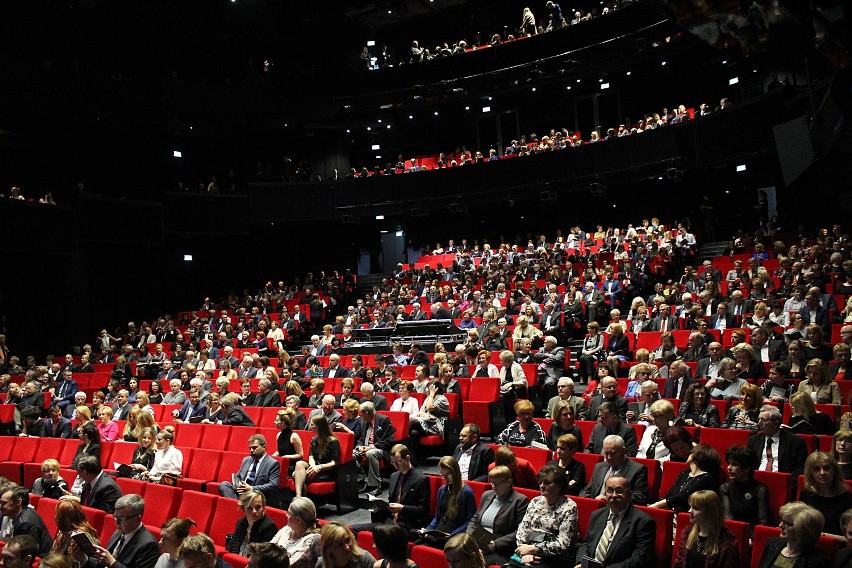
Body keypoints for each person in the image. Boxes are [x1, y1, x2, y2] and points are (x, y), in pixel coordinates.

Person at [574, 475, 656, 568]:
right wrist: (581, 563)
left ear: (629, 494)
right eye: (610, 491)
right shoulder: (597, 515)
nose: (614, 495)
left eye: (619, 491)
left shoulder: (643, 522)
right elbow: (586, 543)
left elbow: (639, 559)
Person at [352, 444, 430, 536]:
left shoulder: (421, 479)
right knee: (353, 530)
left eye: (398, 461)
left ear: (408, 458)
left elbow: (423, 510)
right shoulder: (394, 476)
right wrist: (381, 505)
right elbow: (391, 502)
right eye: (393, 462)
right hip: (389, 521)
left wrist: (402, 508)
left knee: (383, 533)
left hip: (407, 524)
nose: (396, 466)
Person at [514, 464, 578, 568]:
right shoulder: (535, 501)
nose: (542, 485)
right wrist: (525, 549)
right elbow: (523, 529)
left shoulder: (569, 507)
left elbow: (563, 543)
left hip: (553, 558)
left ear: (559, 485)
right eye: (540, 482)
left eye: (547, 483)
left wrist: (534, 549)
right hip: (527, 552)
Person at [72, 493, 159, 568]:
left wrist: (112, 562)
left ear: (138, 519)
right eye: (115, 517)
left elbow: (110, 562)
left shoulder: (149, 545)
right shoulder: (118, 533)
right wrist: (83, 558)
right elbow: (103, 565)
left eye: (122, 518)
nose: (117, 522)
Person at [465, 465, 529, 566]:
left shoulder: (520, 501)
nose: (494, 486)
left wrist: (495, 545)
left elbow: (520, 531)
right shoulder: (487, 495)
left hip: (499, 550)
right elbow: (475, 519)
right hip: (478, 542)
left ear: (508, 482)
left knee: (473, 562)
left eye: (497, 483)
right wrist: (469, 536)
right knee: (457, 554)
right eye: (492, 483)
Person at [414, 456, 475, 548]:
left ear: (456, 473)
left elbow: (469, 521)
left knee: (425, 546)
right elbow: (437, 517)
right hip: (439, 532)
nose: (444, 478)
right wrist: (428, 529)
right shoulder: (442, 490)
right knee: (416, 545)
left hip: (454, 535)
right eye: (442, 475)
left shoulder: (467, 492)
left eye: (448, 475)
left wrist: (452, 534)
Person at [672, 490, 740, 568]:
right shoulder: (687, 533)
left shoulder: (728, 542)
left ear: (710, 512)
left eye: (695, 508)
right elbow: (678, 563)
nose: (689, 511)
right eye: (690, 507)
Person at [649, 444, 721, 513]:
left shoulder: (706, 478)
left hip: (687, 515)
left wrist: (652, 507)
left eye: (691, 453)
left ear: (695, 456)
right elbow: (670, 495)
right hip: (672, 512)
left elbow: (681, 498)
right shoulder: (685, 473)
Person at [755, 502, 828, 568]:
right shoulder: (772, 544)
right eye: (782, 521)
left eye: (787, 524)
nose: (780, 525)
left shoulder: (816, 561)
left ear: (803, 530)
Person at [799, 451, 852, 535]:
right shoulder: (806, 494)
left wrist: (825, 536)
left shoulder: (847, 498)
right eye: (817, 469)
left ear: (834, 470)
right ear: (811, 473)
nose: (822, 473)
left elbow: (848, 536)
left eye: (826, 468)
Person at [747, 405, 809, 476]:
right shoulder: (753, 440)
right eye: (759, 419)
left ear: (776, 423)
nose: (759, 423)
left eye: (764, 420)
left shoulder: (796, 442)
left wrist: (787, 480)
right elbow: (748, 464)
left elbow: (802, 468)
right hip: (757, 481)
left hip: (782, 480)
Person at [219, 434, 281, 501]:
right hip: (241, 491)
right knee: (223, 485)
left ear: (264, 447)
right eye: (250, 448)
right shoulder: (246, 459)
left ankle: (239, 504)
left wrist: (251, 488)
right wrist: (238, 484)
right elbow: (238, 476)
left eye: (254, 448)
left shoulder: (272, 463)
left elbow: (273, 485)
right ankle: (240, 504)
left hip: (255, 493)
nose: (251, 450)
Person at [720, 446, 769, 527]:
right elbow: (728, 517)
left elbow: (763, 521)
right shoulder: (725, 488)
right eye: (729, 464)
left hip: (751, 532)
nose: (729, 468)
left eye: (734, 465)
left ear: (747, 468)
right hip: (733, 531)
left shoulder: (759, 490)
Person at [353, 401, 395, 495]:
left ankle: (376, 486)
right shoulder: (363, 420)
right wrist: (359, 446)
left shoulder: (383, 420)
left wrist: (371, 447)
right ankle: (361, 479)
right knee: (350, 454)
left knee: (370, 453)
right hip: (365, 447)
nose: (360, 415)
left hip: (381, 449)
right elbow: (360, 437)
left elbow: (389, 440)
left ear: (366, 412)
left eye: (361, 413)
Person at [293, 414, 339, 498]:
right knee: (299, 463)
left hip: (325, 471)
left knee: (295, 474)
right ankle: (299, 496)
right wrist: (313, 466)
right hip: (314, 467)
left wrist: (318, 467)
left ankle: (300, 497)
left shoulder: (333, 441)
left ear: (318, 427)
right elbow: (311, 456)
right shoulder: (314, 439)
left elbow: (334, 463)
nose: (310, 427)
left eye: (312, 425)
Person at [270, 496, 321, 568]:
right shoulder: (287, 529)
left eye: (288, 513)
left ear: (298, 520)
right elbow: (268, 549)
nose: (286, 515)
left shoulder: (313, 540)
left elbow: (290, 565)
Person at [0, 485, 53, 555]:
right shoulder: (25, 512)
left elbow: (26, 553)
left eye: (4, 503)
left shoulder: (25, 523)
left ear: (18, 502)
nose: (0, 506)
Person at [225, 491, 278, 557]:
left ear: (264, 507)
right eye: (250, 508)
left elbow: (261, 556)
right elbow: (234, 546)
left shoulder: (269, 527)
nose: (254, 511)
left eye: (258, 507)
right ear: (243, 509)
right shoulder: (241, 522)